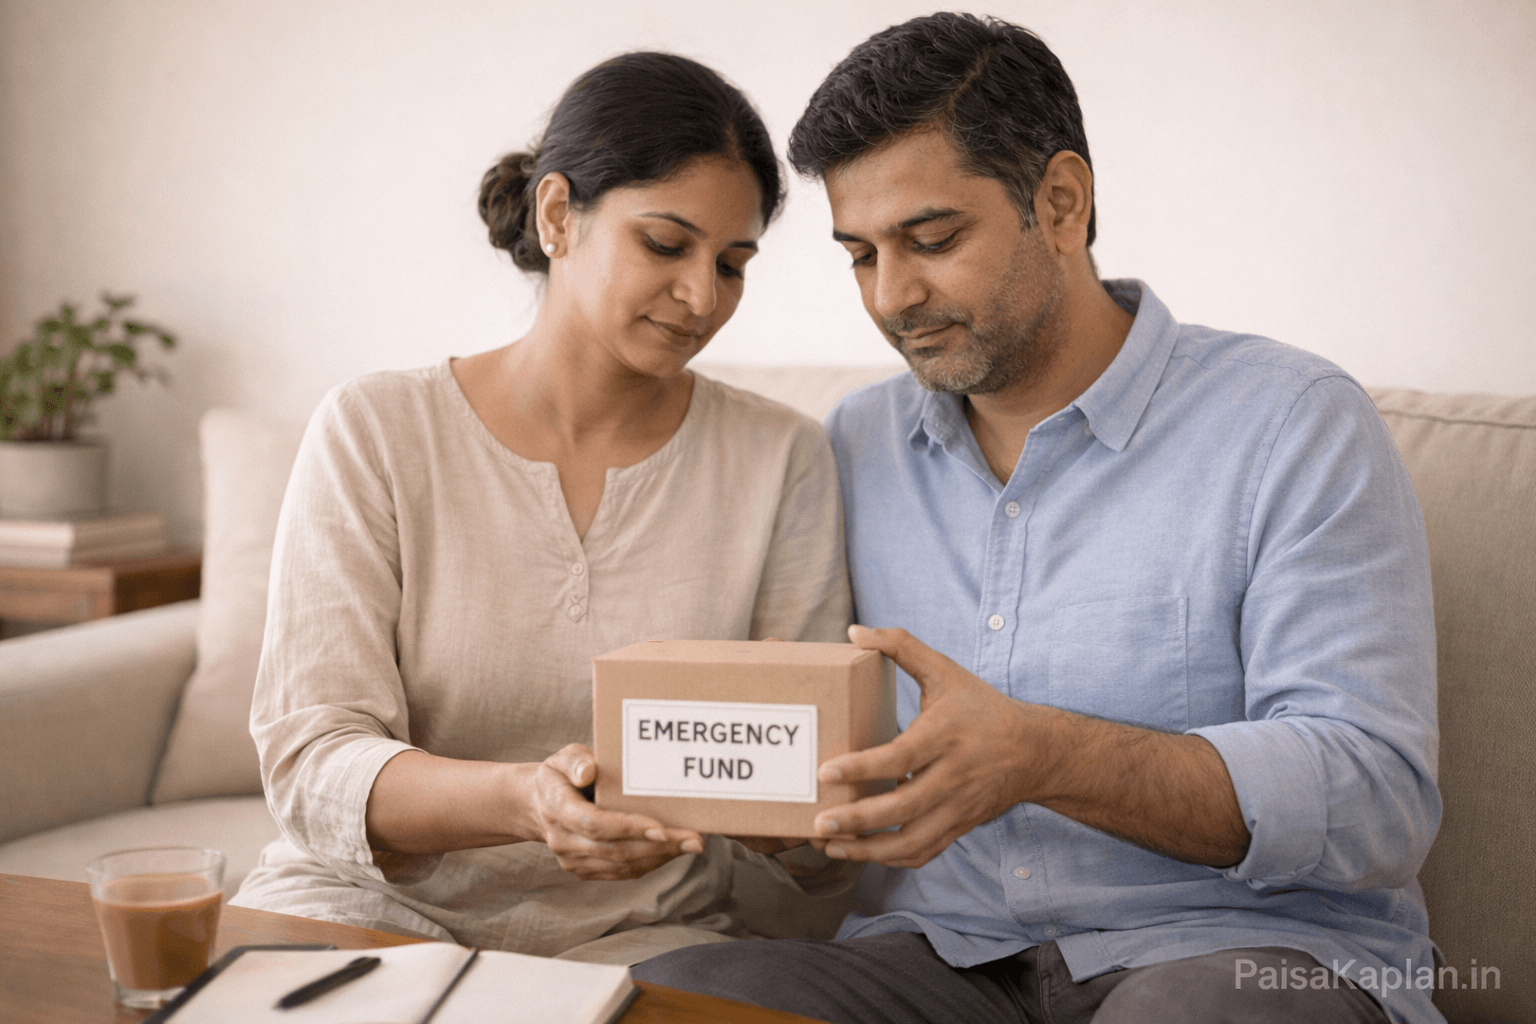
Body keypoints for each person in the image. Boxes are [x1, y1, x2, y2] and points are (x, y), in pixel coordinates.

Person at [633, 14, 1442, 1023]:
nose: (894, 296)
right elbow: (821, 761)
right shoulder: (852, 445)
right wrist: (761, 802)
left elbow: (1377, 795)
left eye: (933, 239)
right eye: (860, 254)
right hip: (937, 959)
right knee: (673, 996)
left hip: (1235, 949)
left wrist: (1043, 754)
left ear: (1060, 201)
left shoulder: (1290, 422)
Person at [230, 51, 853, 965]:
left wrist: (792, 817)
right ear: (557, 214)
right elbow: (311, 758)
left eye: (732, 263)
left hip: (642, 933)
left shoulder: (782, 459)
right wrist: (524, 803)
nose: (702, 297)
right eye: (666, 243)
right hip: (362, 912)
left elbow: (798, 776)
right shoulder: (377, 429)